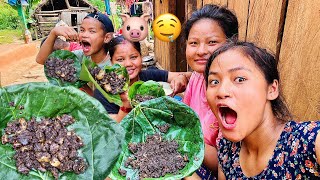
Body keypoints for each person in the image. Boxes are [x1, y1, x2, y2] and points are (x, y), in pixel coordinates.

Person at [204, 40, 320, 179]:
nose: (221, 91)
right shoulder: (227, 148)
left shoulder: (311, 141)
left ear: (272, 89)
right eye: (214, 81)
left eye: (240, 79)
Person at [182, 4, 239, 179]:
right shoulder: (198, 77)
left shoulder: (233, 94)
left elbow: (221, 165)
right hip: (189, 154)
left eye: (212, 42)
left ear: (232, 43)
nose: (201, 51)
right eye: (193, 43)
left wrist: (184, 140)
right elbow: (183, 116)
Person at [94, 35, 191, 122]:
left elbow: (190, 75)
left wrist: (181, 77)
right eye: (120, 60)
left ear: (141, 57)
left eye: (133, 57)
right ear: (111, 62)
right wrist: (126, 106)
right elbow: (113, 128)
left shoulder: (148, 76)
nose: (128, 64)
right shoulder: (103, 91)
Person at [36, 12, 114, 68]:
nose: (84, 35)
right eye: (82, 30)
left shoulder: (114, 63)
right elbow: (42, 60)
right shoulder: (79, 57)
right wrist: (53, 33)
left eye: (92, 31)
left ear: (106, 38)